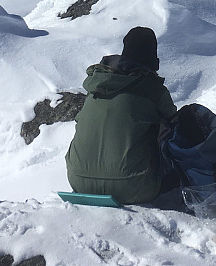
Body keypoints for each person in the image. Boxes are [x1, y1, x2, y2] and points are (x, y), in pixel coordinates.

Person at [65, 26, 178, 205]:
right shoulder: (154, 90)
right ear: (153, 59)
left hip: (78, 180)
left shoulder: (97, 86)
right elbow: (175, 126)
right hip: (135, 187)